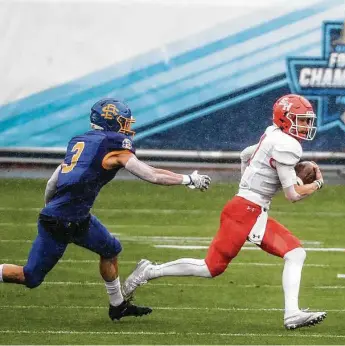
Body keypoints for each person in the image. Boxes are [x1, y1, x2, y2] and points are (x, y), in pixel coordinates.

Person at [122, 94, 327, 330]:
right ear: (284, 119)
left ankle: (292, 313)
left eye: (306, 120)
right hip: (245, 212)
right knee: (211, 268)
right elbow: (293, 195)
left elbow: (245, 155)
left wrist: (249, 186)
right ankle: (149, 271)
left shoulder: (273, 133)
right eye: (300, 120)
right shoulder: (286, 144)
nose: (305, 125)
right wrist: (317, 184)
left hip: (247, 208)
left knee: (291, 254)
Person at [0, 98, 211, 321]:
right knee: (30, 277)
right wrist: (187, 179)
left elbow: (54, 179)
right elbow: (151, 174)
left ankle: (117, 305)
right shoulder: (114, 145)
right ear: (110, 122)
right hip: (61, 222)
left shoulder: (81, 142)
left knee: (110, 250)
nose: (127, 126)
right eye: (123, 121)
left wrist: (50, 208)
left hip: (75, 218)